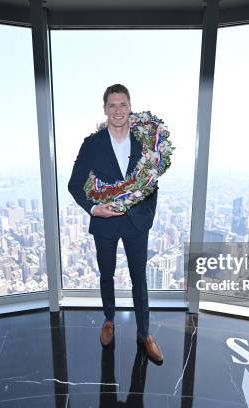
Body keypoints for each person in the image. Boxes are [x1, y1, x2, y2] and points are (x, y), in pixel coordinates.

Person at [68, 84, 163, 365]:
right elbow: (74, 184)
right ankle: (109, 320)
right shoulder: (92, 144)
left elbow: (152, 183)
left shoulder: (145, 141)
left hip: (136, 223)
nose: (118, 110)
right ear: (105, 109)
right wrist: (94, 209)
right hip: (105, 224)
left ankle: (145, 334)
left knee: (140, 281)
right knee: (106, 274)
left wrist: (147, 217)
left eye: (122, 104)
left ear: (130, 107)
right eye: (112, 105)